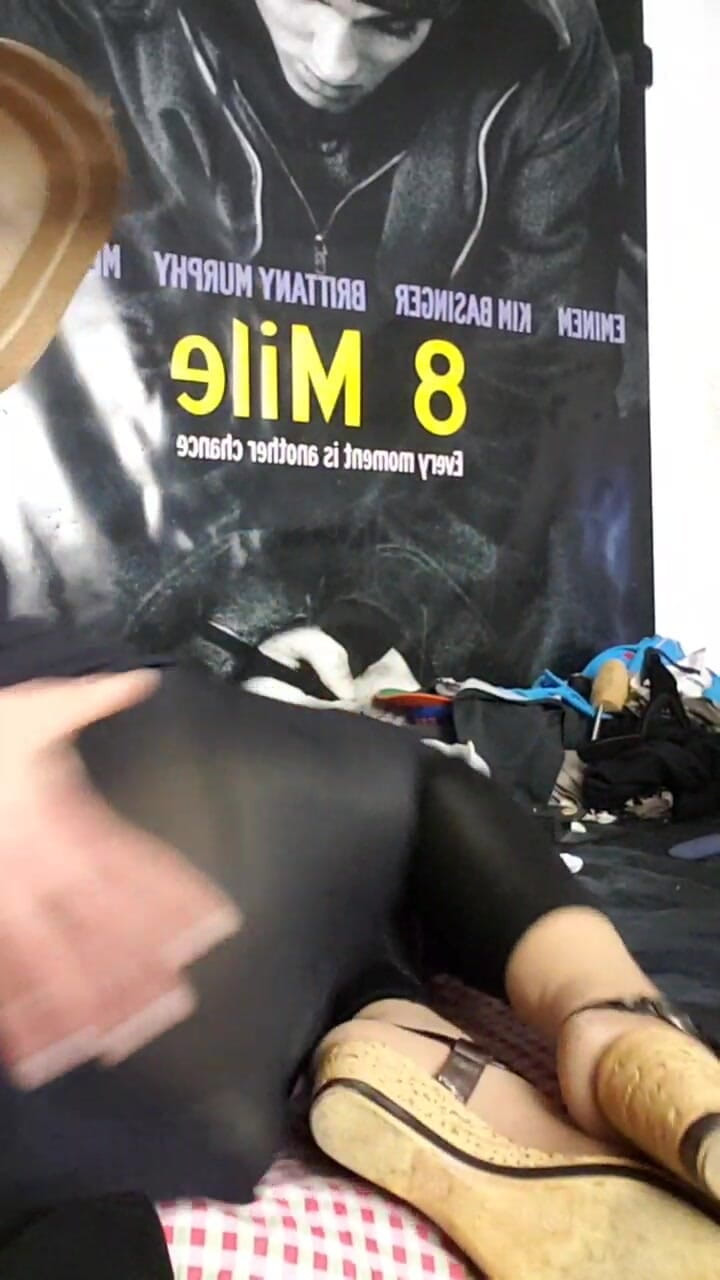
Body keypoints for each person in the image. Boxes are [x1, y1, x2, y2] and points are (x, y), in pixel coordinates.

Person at [3, 29, 716, 1280]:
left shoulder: (534, 91)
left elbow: (515, 434)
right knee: (390, 786)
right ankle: (603, 1024)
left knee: (352, 798)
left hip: (125, 1031)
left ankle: (394, 1028)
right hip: (153, 975)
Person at [0, 0, 645, 687]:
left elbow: (525, 387)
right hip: (147, 574)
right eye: (306, 2)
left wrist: (381, 621)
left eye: (392, 26)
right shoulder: (74, 21)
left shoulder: (546, 47)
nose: (334, 63)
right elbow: (77, 402)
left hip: (431, 540)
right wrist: (240, 630)